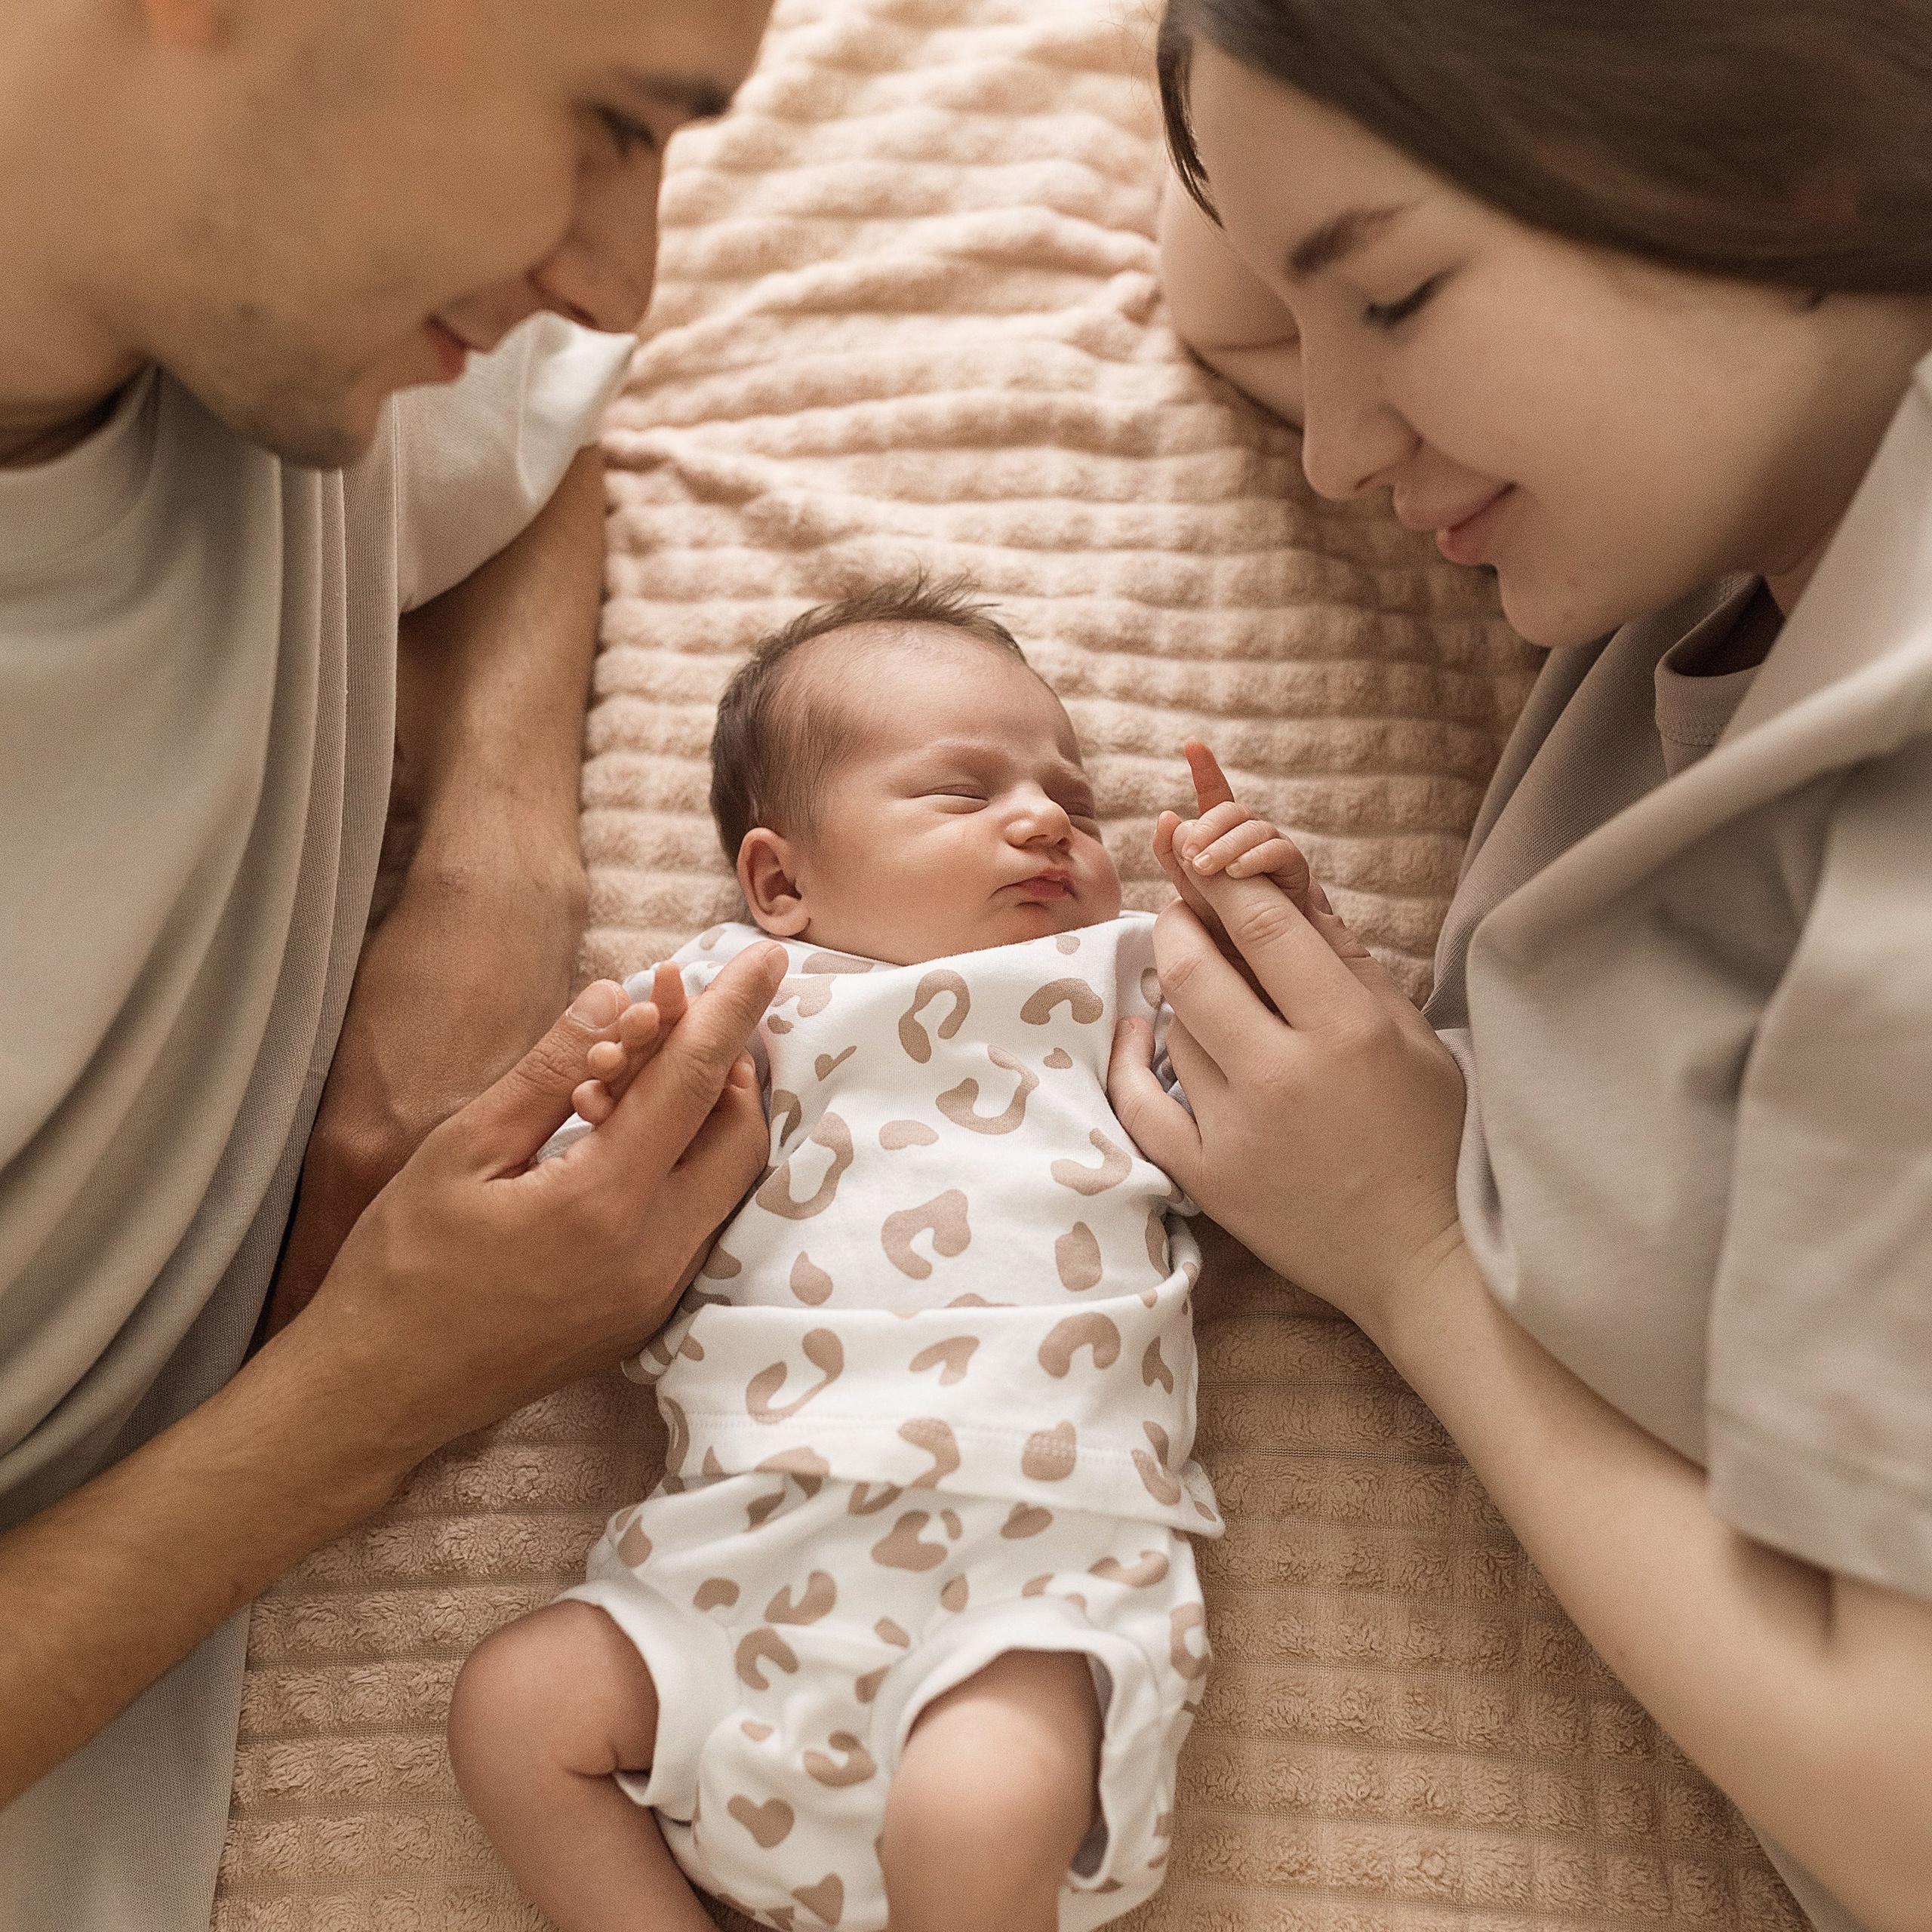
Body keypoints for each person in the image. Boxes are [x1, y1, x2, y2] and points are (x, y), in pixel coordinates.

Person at [1112, 5, 1932, 1931]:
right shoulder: (1773, 456)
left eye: (1390, 297)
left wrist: (1408, 1245)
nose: (1325, 446)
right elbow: (1221, 285)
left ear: (1773, 147)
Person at [0, 2, 790, 1927]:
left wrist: (491, 859)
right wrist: (371, 1388)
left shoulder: (238, 309)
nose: (618, 279)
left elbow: (538, 444)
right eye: (609, 123)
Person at [444, 581, 1303, 1932]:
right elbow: (585, 1224)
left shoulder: (1119, 979)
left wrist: (1274, 925)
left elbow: (1287, 1120)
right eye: (963, 795)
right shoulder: (738, 1004)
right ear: (782, 883)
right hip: (738, 1557)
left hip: (1031, 1557)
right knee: (513, 1708)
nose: (1044, 822)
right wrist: (610, 1121)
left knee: (972, 1813)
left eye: (1072, 805)